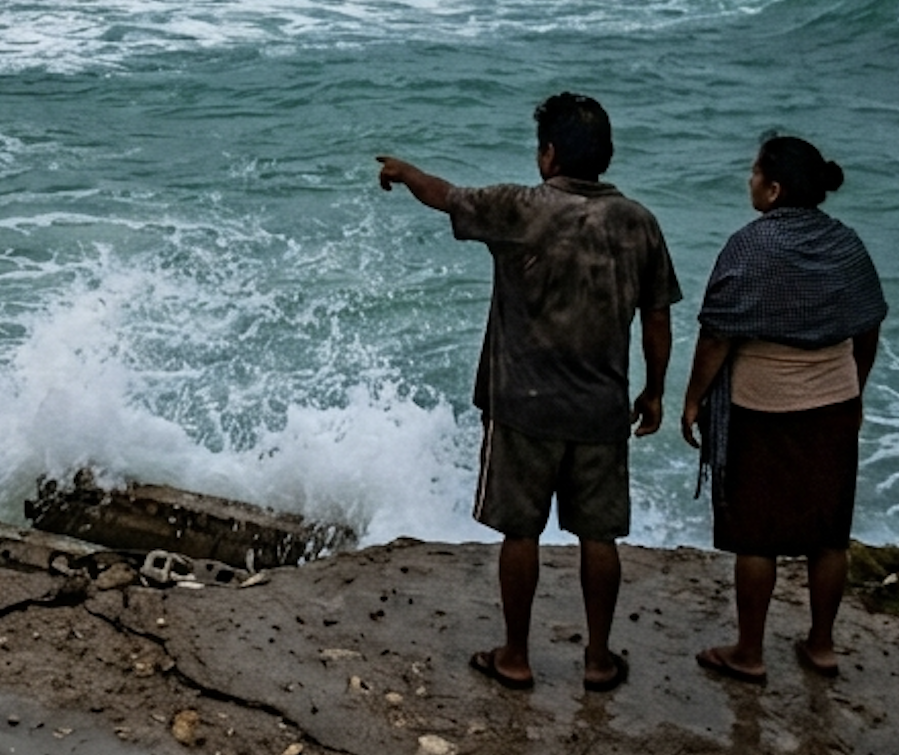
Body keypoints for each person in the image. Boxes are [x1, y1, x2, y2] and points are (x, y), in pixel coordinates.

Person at [376, 92, 680, 693]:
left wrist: (405, 172)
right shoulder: (638, 222)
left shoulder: (520, 208)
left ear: (549, 155)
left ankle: (515, 656)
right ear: (606, 156)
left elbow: (446, 196)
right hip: (600, 408)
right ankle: (598, 659)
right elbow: (658, 318)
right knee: (600, 537)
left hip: (523, 405)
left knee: (522, 534)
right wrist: (654, 392)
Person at [682, 134, 885, 684]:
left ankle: (749, 652)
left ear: (773, 190)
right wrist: (856, 389)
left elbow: (717, 335)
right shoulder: (846, 243)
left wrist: (693, 399)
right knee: (829, 536)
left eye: (754, 173)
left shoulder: (749, 246)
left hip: (762, 409)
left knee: (756, 538)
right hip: (835, 404)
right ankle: (821, 646)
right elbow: (868, 323)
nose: (748, 180)